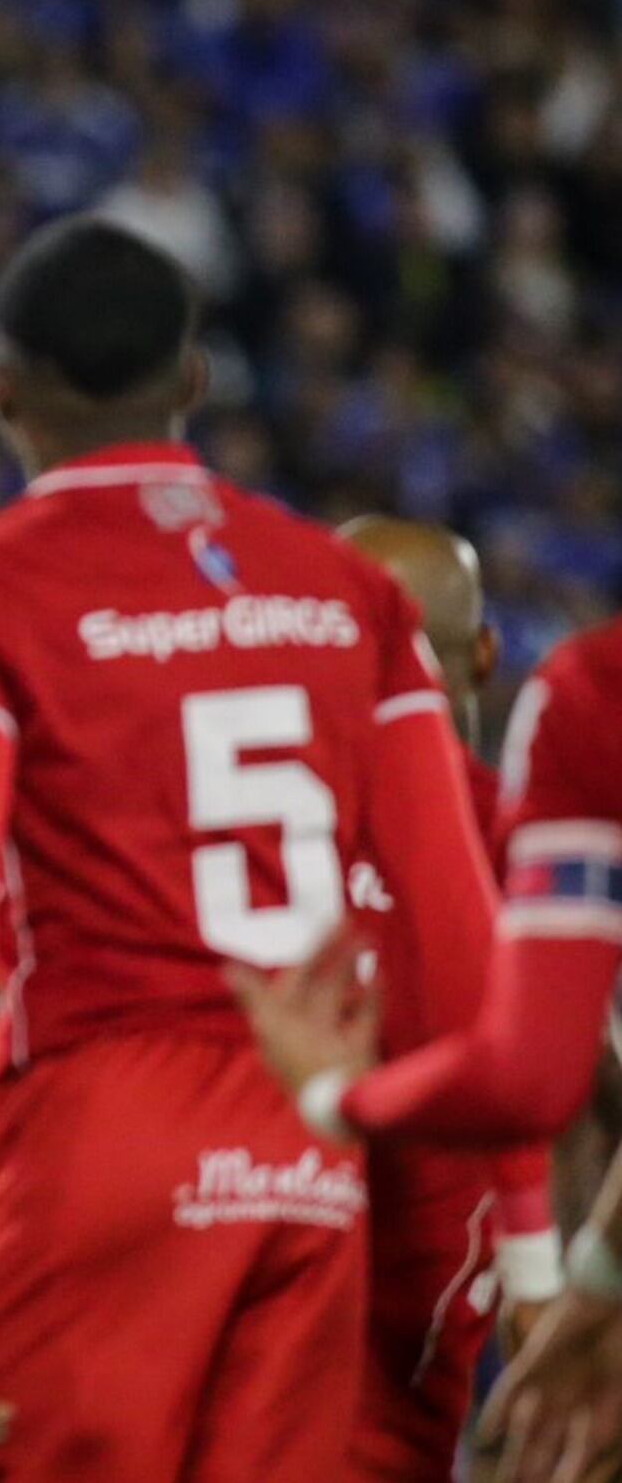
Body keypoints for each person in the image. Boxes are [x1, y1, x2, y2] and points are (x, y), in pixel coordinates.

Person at [0, 216, 502, 1482]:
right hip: (311, 1153)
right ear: (195, 382)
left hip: (97, 1122)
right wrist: (525, 1244)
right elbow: (459, 943)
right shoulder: (347, 592)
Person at [235, 612, 622, 1482]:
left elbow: (536, 1072)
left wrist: (331, 1096)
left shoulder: (594, 697)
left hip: (289, 1228)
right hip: (433, 1263)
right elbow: (590, 1072)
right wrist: (569, 1277)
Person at [335, 517, 561, 1482]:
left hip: (221, 1263)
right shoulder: (530, 852)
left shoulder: (228, 822)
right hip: (422, 1319)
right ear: (483, 653)